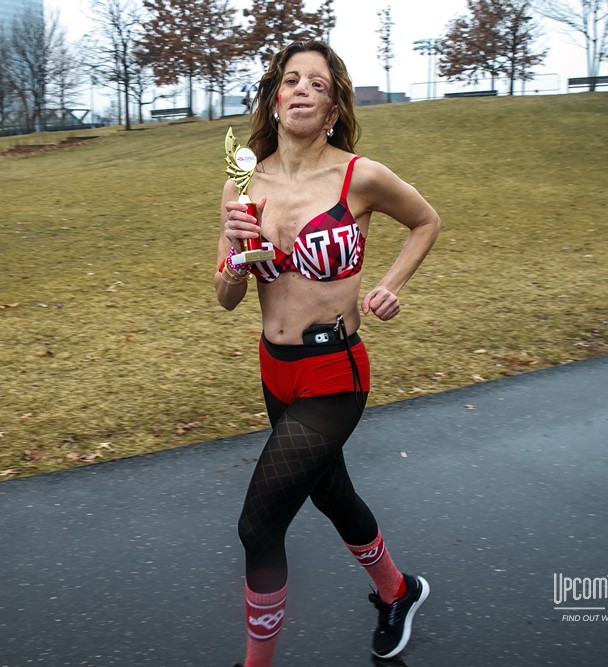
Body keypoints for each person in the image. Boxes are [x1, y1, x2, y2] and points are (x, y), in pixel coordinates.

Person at [214, 41, 441, 666]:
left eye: (318, 82)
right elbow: (227, 297)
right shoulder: (245, 182)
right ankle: (399, 592)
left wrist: (390, 285)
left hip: (333, 371)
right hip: (273, 369)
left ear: (334, 103)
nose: (304, 89)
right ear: (275, 96)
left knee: (258, 527)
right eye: (292, 80)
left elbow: (426, 220)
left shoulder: (358, 175)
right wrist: (237, 251)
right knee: (329, 491)